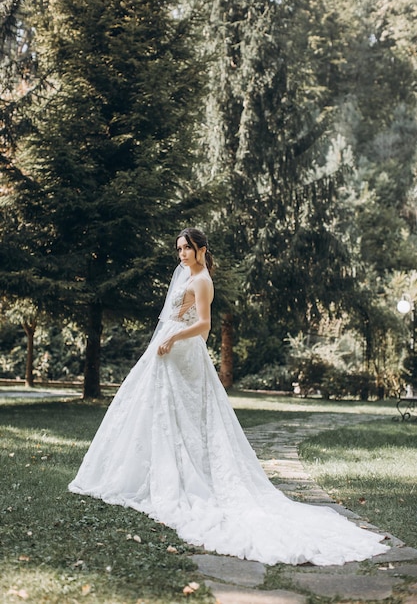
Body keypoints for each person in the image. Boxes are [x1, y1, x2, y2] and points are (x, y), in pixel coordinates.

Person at [69, 228, 389, 566]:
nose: (181, 255)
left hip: (182, 352)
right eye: (179, 249)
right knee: (155, 411)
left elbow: (204, 325)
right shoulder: (185, 275)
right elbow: (176, 315)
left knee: (181, 416)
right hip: (169, 348)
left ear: (202, 249)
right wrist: (169, 335)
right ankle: (140, 473)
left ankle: (185, 478)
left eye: (187, 249)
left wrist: (175, 337)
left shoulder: (203, 281)